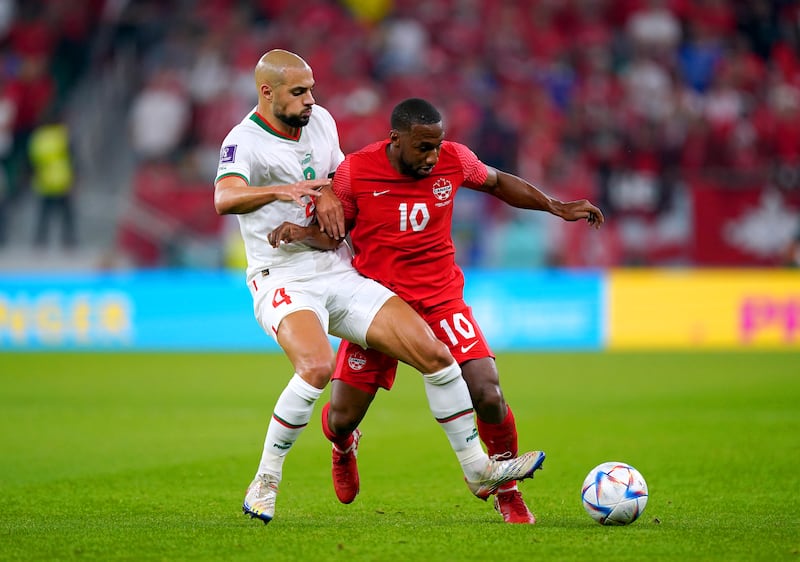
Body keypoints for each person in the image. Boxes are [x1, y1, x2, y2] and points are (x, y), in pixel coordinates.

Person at [214, 51, 545, 525]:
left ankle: (478, 473)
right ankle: (265, 481)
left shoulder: (321, 121)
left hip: (340, 269)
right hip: (282, 278)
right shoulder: (243, 141)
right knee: (316, 367)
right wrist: (280, 191)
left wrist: (325, 192)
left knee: (437, 356)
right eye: (299, 92)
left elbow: (337, 178)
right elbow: (224, 197)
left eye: (311, 89)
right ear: (266, 92)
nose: (311, 100)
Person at [268, 97, 604, 524]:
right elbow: (335, 235)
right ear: (396, 140)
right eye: (423, 147)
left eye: (437, 146)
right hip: (377, 303)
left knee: (487, 390)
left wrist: (556, 206)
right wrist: (301, 233)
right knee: (339, 417)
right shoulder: (357, 170)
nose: (432, 157)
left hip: (440, 297)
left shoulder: (455, 160)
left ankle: (506, 489)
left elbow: (498, 183)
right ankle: (343, 445)